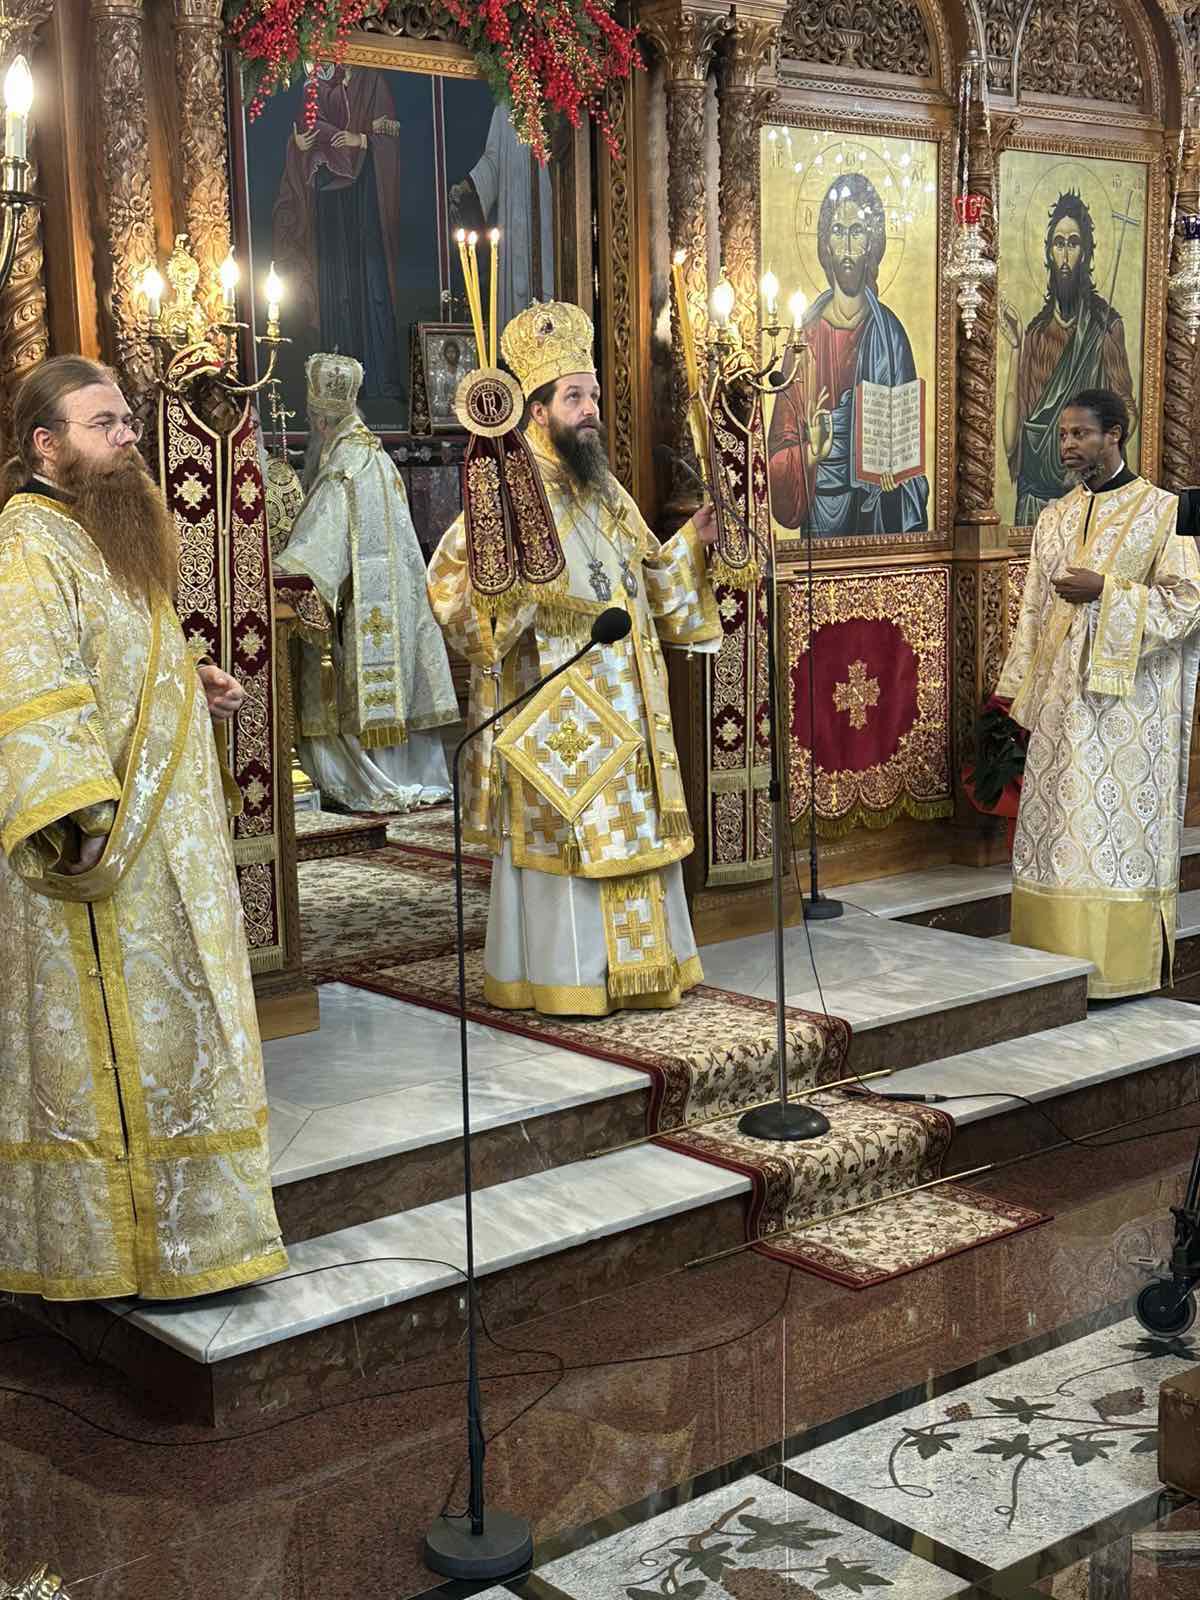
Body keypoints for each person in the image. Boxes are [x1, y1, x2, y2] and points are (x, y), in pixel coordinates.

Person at [0, 356, 287, 1300]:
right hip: (102, 853)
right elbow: (32, 686)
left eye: (127, 419)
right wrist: (83, 822)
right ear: (46, 444)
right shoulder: (26, 543)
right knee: (129, 1052)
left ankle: (203, 1237)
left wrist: (188, 675)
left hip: (165, 844)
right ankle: (132, 1251)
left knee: (193, 1035)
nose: (129, 437)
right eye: (105, 424)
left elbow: (117, 652)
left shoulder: (102, 528)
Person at [427, 299, 722, 1016]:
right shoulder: (507, 494)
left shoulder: (603, 488)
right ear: (536, 412)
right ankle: (569, 981)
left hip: (631, 705)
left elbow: (648, 575)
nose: (590, 410)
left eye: (591, 395)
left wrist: (692, 543)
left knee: (633, 834)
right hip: (557, 708)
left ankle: (643, 975)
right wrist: (513, 591)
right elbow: (455, 593)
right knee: (568, 842)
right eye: (573, 397)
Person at [996, 387, 1200, 999]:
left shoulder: (1165, 512)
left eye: (1081, 434)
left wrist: (1106, 591)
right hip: (1062, 704)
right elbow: (1034, 610)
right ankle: (1047, 965)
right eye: (1063, 435)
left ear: (1115, 434)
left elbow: (1187, 603)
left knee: (1109, 836)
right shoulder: (1055, 516)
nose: (1068, 445)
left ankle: (1114, 968)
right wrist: (1018, 693)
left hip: (1128, 712)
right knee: (1058, 829)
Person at [275, 352, 458, 812]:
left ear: (320, 422)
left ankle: (367, 777)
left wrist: (277, 569)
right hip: (394, 599)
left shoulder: (342, 466)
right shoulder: (376, 456)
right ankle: (409, 773)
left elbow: (318, 551)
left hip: (357, 607)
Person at [767, 172, 928, 536]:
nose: (848, 246)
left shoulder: (890, 334)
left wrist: (896, 476)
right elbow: (777, 453)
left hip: (873, 513)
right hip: (819, 513)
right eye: (838, 231)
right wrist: (813, 452)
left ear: (872, 242)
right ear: (826, 242)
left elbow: (907, 448)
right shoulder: (805, 336)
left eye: (858, 231)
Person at [1000, 191, 1138, 525]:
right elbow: (1013, 440)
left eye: (1073, 244)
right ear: (1048, 252)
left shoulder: (1105, 326)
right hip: (1036, 502)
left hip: (1089, 498)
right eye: (1058, 244)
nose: (1064, 256)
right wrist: (1016, 350)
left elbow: (1128, 412)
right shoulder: (1035, 333)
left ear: (1085, 252)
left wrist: (1096, 459)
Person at [272, 63, 405, 407]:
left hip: (366, 198)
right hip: (328, 198)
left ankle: (379, 381)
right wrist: (298, 144)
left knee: (370, 283)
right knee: (336, 285)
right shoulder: (316, 85)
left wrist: (360, 139)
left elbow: (391, 133)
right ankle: (337, 385)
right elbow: (302, 134)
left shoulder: (372, 81)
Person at [448, 104, 554, 333]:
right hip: (516, 211)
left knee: (549, 266)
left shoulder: (553, 102)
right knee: (517, 274)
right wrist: (467, 186)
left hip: (552, 210)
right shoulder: (505, 110)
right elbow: (492, 160)